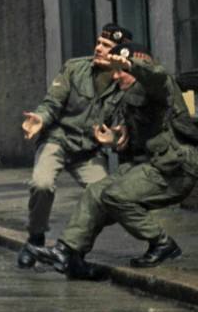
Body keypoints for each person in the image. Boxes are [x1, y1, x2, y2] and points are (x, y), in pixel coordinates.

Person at [27, 42, 198, 279]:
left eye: (121, 71)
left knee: (114, 195)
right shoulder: (127, 96)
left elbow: (156, 77)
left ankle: (162, 243)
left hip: (175, 168)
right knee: (95, 192)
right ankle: (67, 251)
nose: (116, 77)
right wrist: (114, 138)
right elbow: (133, 137)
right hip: (149, 166)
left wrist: (132, 65)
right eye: (114, 71)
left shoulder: (158, 85)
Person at [16, 23, 132, 268]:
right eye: (99, 42)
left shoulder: (124, 85)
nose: (99, 48)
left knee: (105, 199)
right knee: (42, 184)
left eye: (107, 46)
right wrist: (39, 119)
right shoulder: (74, 68)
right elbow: (52, 104)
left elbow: (122, 128)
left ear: (119, 54)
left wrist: (113, 139)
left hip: (88, 151)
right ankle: (35, 240)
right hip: (57, 140)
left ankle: (74, 249)